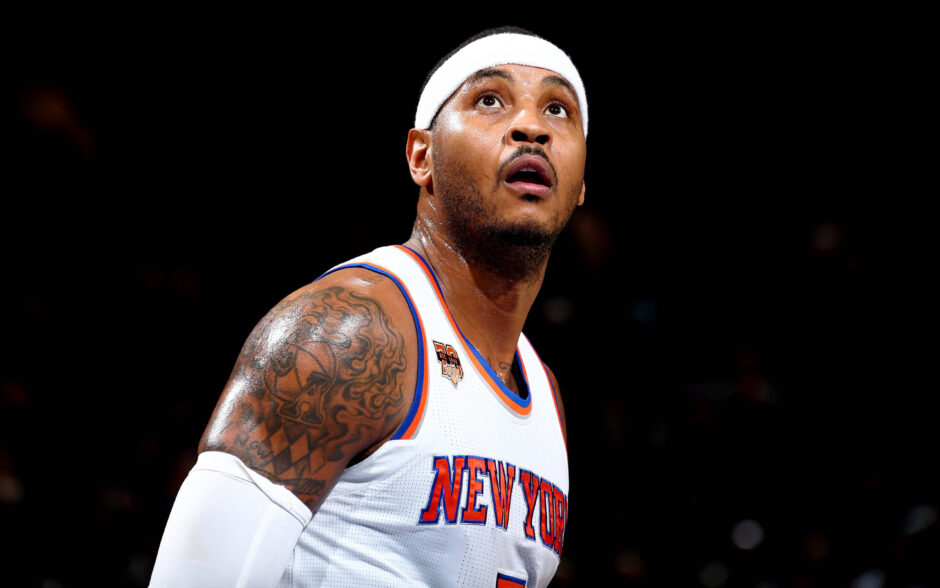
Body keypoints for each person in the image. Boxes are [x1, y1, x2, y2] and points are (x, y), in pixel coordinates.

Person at [150, 26, 587, 587]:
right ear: (422, 157)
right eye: (489, 100)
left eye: (557, 109)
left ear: (580, 184)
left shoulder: (546, 395)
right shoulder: (348, 330)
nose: (531, 126)